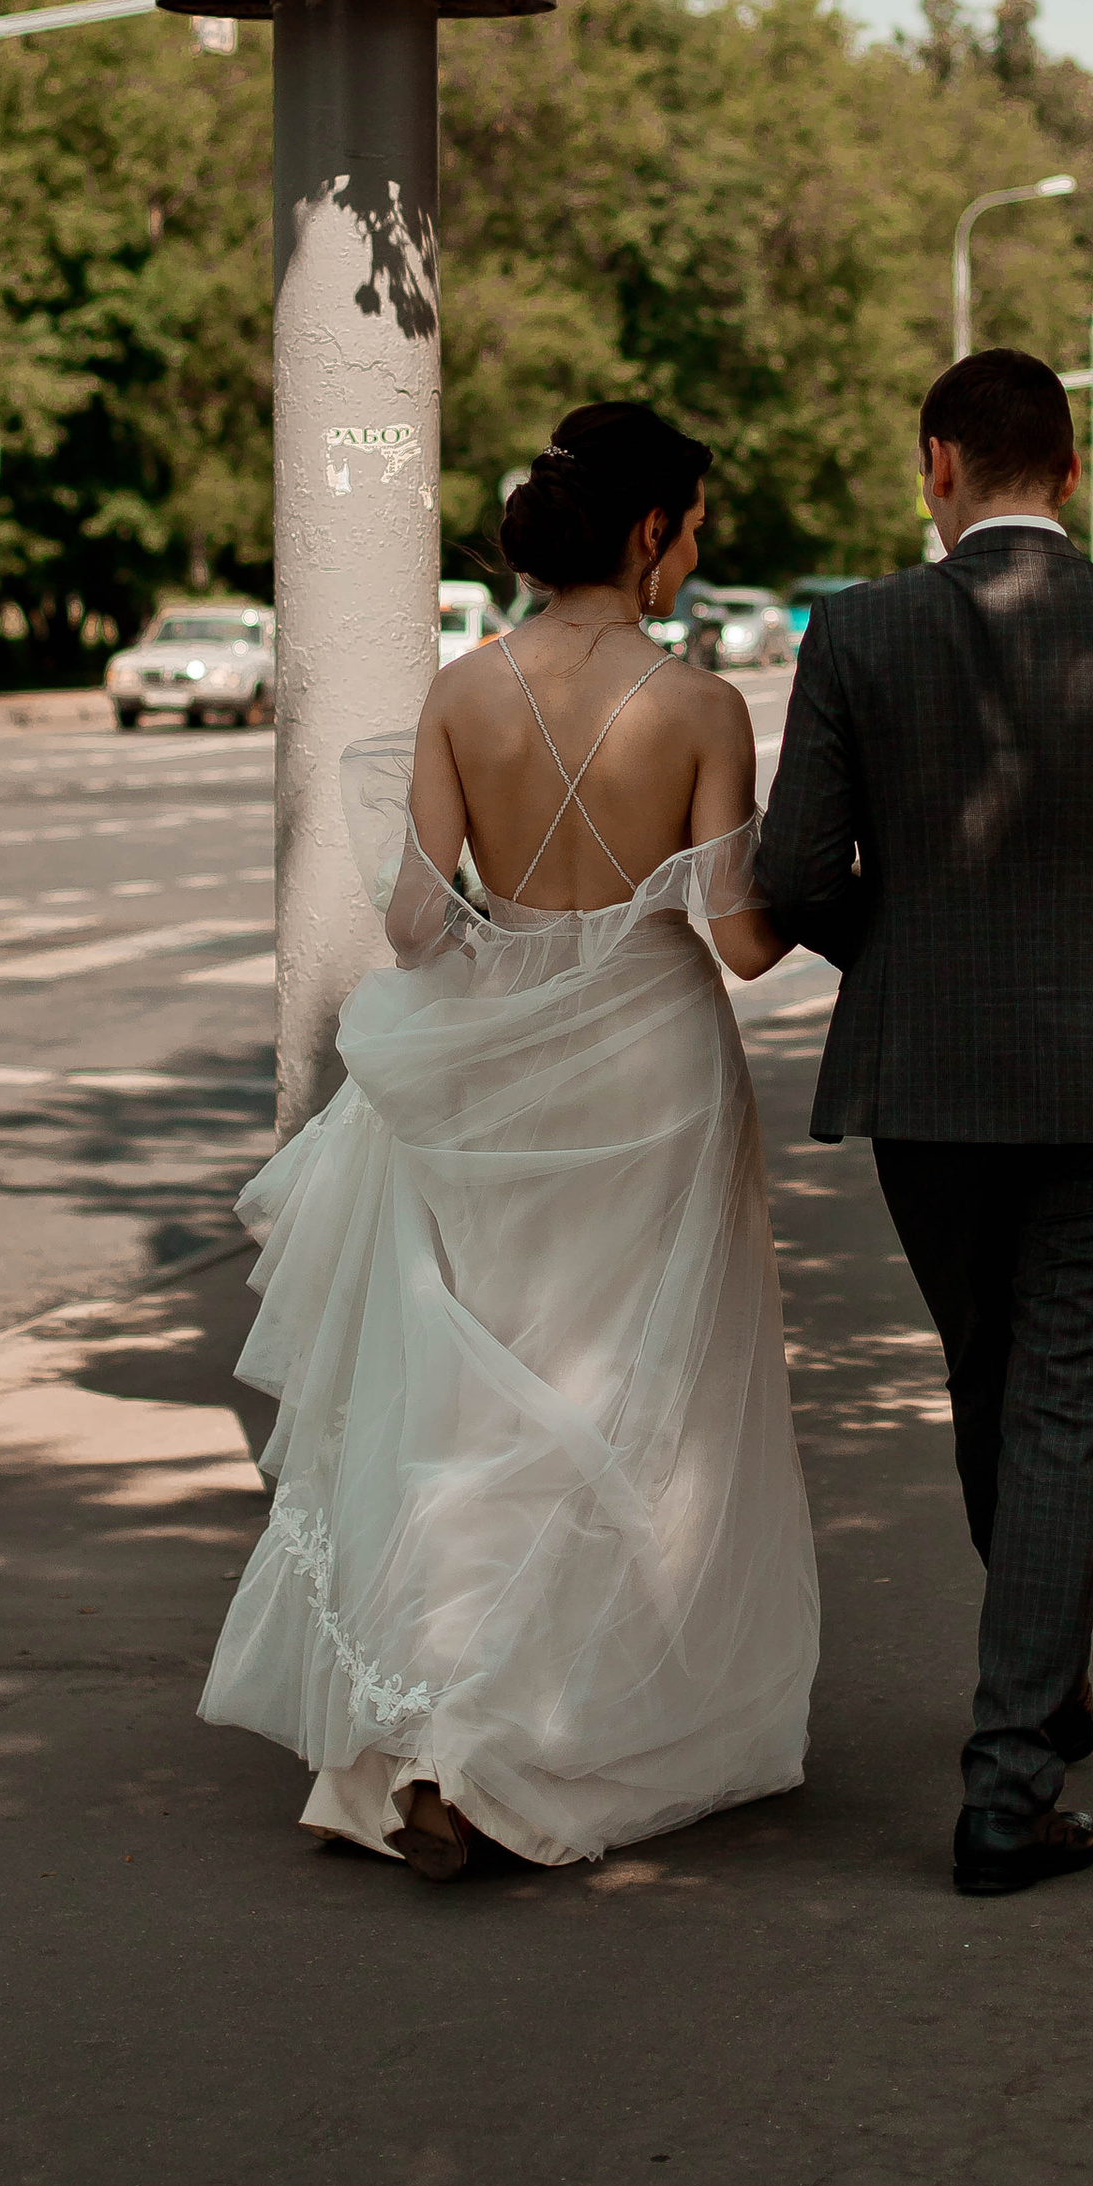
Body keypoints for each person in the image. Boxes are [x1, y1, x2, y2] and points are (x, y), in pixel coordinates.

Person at [200, 402, 818, 1882]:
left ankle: (431, 1732)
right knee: (634, 1402)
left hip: (497, 1074)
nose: (695, 552)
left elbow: (416, 922)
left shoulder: (461, 692)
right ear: (652, 530)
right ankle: (541, 1731)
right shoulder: (703, 709)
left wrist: (523, 933)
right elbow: (738, 945)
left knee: (483, 1404)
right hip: (651, 1072)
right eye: (694, 524)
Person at [755, 350, 1093, 1902]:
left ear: (936, 464)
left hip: (930, 1088)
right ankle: (1011, 1782)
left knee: (997, 1377)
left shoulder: (855, 635)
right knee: (1055, 1401)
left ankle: (1038, 1687)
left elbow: (794, 878)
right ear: (1071, 473)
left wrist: (920, 954)